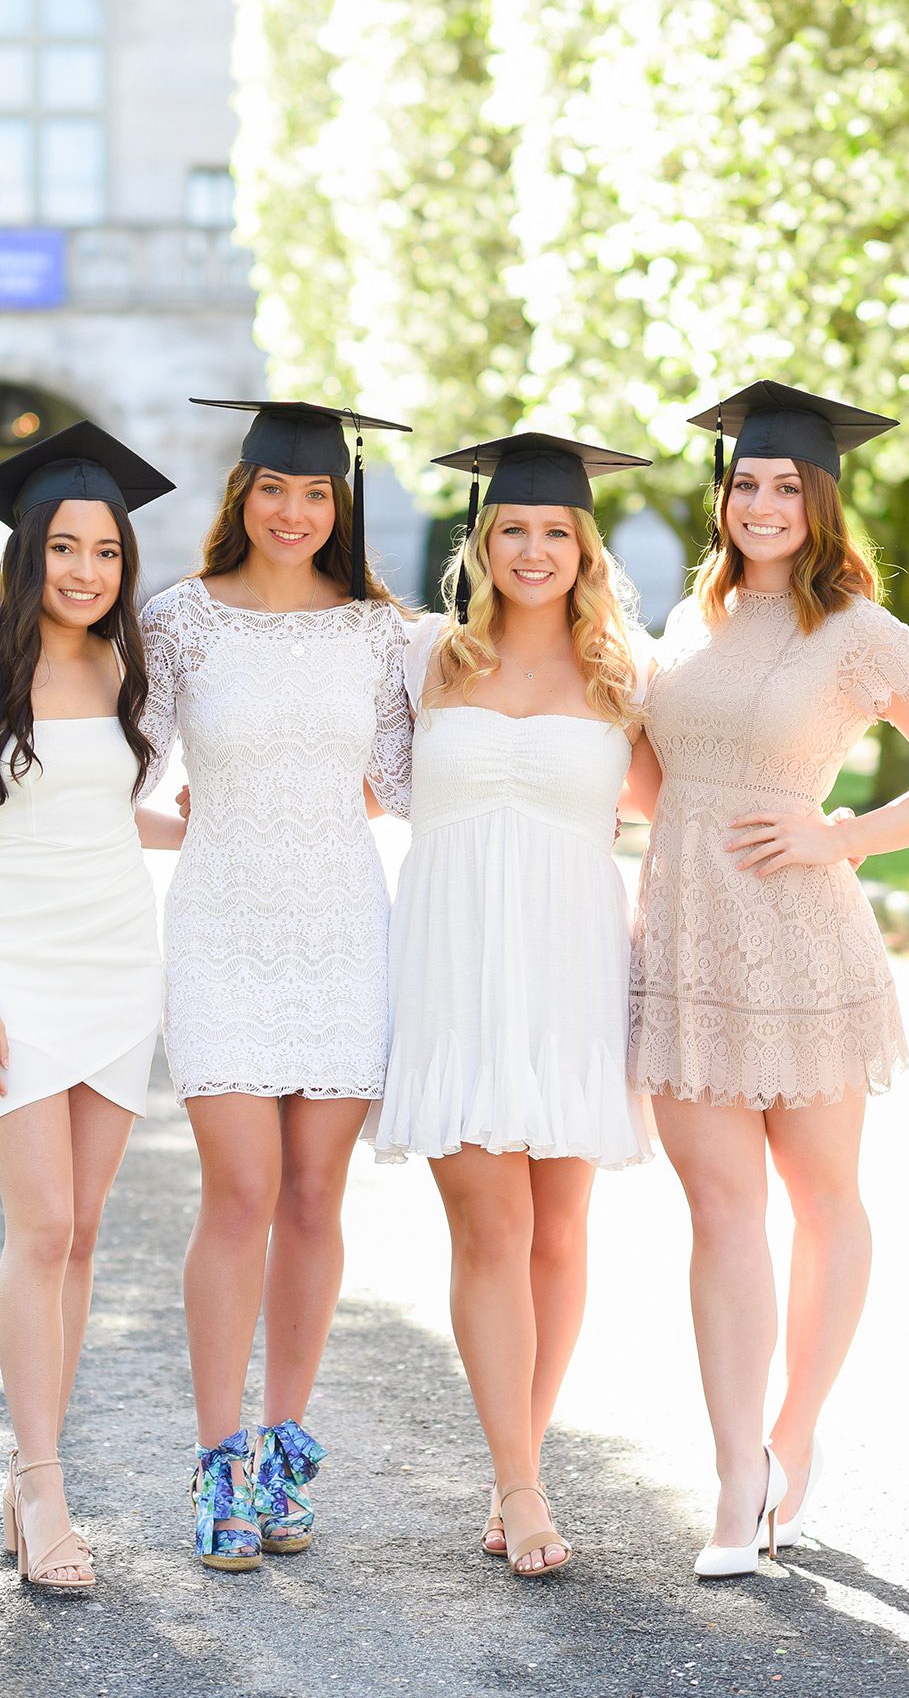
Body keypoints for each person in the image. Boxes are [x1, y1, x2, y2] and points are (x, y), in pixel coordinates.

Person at [627, 381, 909, 1578]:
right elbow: (654, 778)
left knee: (822, 1194)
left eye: (788, 483)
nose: (763, 501)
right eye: (747, 481)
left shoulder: (855, 630)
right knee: (723, 1209)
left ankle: (795, 1430)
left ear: (823, 498)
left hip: (801, 938)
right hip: (684, 937)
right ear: (723, 494)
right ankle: (739, 1469)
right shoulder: (684, 625)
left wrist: (840, 836)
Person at [374, 433, 659, 1579]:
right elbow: (307, 765)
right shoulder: (418, 659)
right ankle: (524, 1486)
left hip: (572, 965)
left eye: (556, 532)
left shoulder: (624, 674)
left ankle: (516, 1461)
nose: (533, 549)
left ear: (584, 546)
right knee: (491, 1227)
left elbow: (688, 806)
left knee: (561, 1232)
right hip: (452, 968)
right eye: (513, 530)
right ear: (481, 542)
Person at [141, 398, 413, 1571]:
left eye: (315, 495)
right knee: (239, 1191)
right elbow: (124, 766)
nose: (294, 512)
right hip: (221, 927)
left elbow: (407, 778)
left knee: (314, 1197)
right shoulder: (179, 622)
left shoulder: (381, 630)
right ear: (241, 493)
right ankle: (218, 1466)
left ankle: (287, 1444)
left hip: (344, 930)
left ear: (338, 504)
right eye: (273, 489)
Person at [0, 424, 181, 1593]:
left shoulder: (128, 671)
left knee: (84, 1235)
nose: (86, 570)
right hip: (15, 970)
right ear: (27, 554)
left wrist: (225, 828)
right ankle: (41, 1480)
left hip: (120, 963)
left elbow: (103, 810)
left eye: (108, 552)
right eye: (64, 547)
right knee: (41, 1225)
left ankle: (38, 1463)